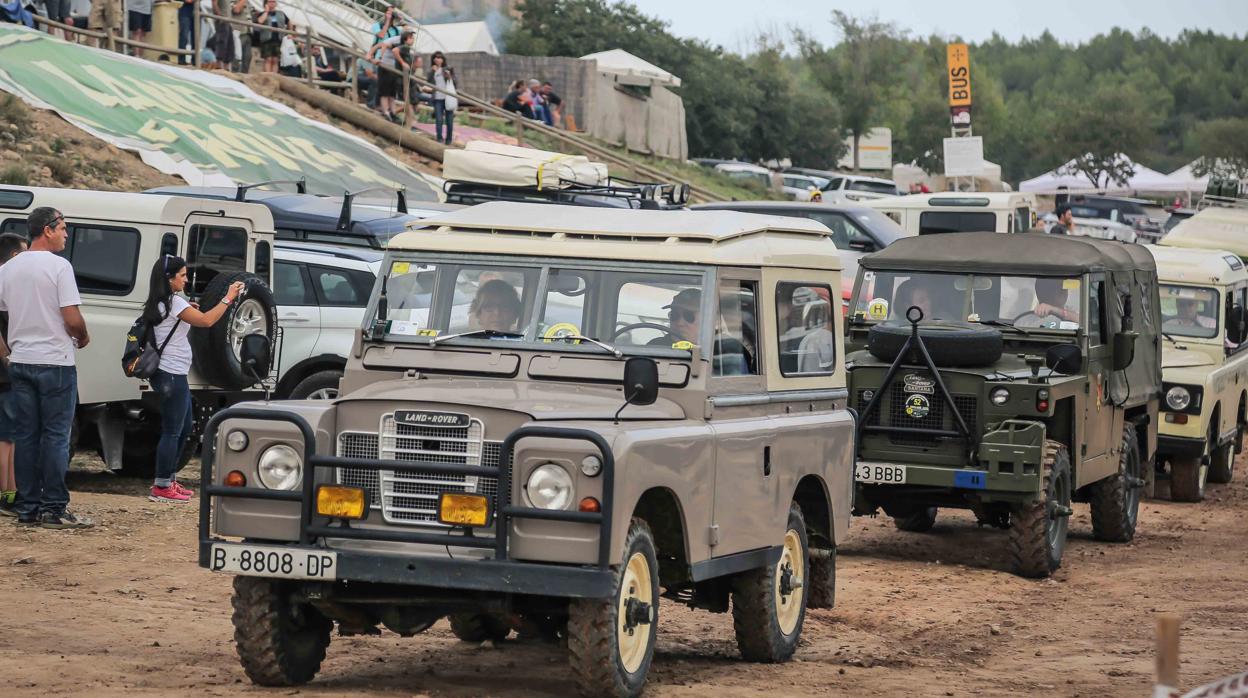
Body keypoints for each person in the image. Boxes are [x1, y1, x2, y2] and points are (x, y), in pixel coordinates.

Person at [0, 208, 91, 529]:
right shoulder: (59, 266)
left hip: (21, 362)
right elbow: (71, 317)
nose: (66, 234)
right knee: (55, 436)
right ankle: (54, 508)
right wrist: (83, 335)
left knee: (26, 436)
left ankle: (28, 509)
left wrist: (7, 352)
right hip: (55, 362)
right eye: (63, 228)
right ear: (48, 230)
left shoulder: (9, 268)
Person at [143, 256, 244, 502]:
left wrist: (188, 310)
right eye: (183, 276)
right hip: (170, 372)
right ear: (169, 279)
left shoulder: (163, 302)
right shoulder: (174, 302)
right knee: (173, 430)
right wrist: (228, 298)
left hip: (172, 372)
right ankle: (162, 485)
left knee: (186, 426)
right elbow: (208, 321)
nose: (186, 280)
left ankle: (169, 479)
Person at [0, 232, 27, 517]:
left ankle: (10, 493)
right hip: (5, 373)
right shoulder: (4, 283)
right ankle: (7, 495)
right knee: (7, 437)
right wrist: (9, 360)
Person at [427, 52, 454, 144]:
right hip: (437, 98)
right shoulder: (432, 71)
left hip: (447, 98)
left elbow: (455, 81)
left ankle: (449, 139)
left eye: (439, 57)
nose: (437, 59)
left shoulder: (447, 69)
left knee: (449, 120)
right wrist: (433, 71)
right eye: (436, 57)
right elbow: (428, 82)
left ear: (443, 59)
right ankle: (439, 138)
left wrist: (449, 76)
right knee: (439, 119)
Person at [254, 0, 287, 74]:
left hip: (278, 39)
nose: (272, 3)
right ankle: (268, 75)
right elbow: (260, 21)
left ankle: (274, 76)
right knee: (268, 59)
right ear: (266, 3)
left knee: (275, 60)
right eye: (270, 1)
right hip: (267, 40)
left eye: (273, 1)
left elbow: (289, 22)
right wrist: (266, 11)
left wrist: (291, 33)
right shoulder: (262, 13)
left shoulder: (281, 14)